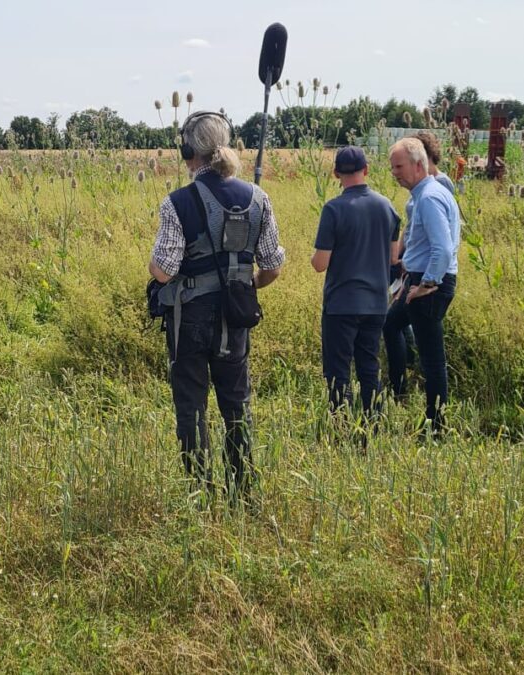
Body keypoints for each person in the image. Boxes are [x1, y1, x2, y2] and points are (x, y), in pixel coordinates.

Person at [148, 111, 285, 503]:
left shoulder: (177, 202)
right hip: (235, 319)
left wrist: (152, 265)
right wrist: (244, 285)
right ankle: (242, 491)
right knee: (237, 404)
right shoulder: (259, 198)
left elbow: (164, 271)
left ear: (189, 149)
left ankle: (200, 491)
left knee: (191, 405)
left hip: (188, 320)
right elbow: (273, 264)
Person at [311, 146, 401, 421]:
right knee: (369, 368)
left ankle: (340, 426)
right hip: (376, 304)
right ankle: (372, 425)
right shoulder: (387, 206)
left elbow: (320, 263)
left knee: (338, 371)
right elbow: (394, 256)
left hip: (341, 304)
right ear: (367, 170)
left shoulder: (334, 209)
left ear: (336, 173)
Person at [384, 138, 460, 434]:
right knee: (391, 324)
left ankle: (435, 426)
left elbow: (442, 248)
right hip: (416, 280)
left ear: (419, 164)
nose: (394, 172)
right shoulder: (423, 194)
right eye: (392, 167)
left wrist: (426, 284)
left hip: (430, 284)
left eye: (399, 167)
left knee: (432, 359)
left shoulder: (428, 198)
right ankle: (398, 390)